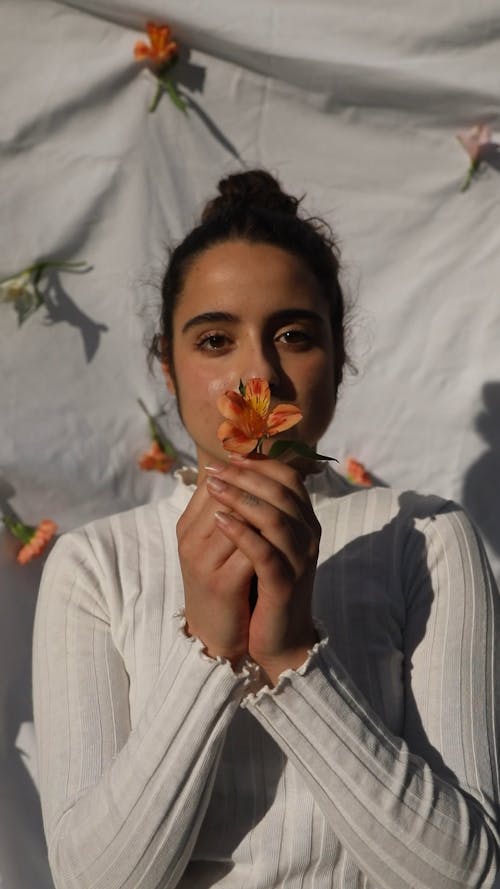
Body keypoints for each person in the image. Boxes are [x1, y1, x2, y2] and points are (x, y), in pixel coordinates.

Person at [33, 170, 500, 889]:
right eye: (216, 339)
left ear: (339, 359)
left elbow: (469, 873)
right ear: (169, 364)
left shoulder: (425, 537)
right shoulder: (96, 565)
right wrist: (209, 650)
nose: (258, 375)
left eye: (293, 335)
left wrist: (290, 653)